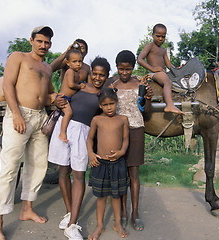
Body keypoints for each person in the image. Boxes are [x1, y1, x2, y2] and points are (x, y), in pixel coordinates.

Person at [0, 26, 55, 240]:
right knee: (9, 168)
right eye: (40, 41)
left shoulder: (47, 68)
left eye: (47, 42)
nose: (43, 45)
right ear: (31, 40)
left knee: (38, 166)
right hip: (20, 115)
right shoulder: (19, 57)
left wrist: (56, 98)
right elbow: (8, 84)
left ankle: (27, 208)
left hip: (40, 117)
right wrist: (16, 114)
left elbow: (47, 94)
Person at [48, 57, 111, 240]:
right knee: (63, 171)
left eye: (102, 75)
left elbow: (102, 118)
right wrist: (57, 101)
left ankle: (72, 225)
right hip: (64, 127)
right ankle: (70, 214)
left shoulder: (104, 95)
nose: (98, 78)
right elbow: (61, 97)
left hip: (83, 133)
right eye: (95, 73)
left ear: (107, 76)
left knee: (79, 175)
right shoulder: (79, 86)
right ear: (90, 72)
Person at [106, 50, 152, 232]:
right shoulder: (112, 84)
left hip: (136, 130)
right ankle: (123, 212)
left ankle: (135, 213)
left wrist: (147, 98)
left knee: (134, 173)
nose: (124, 73)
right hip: (116, 133)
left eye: (128, 69)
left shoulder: (141, 83)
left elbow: (146, 112)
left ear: (133, 68)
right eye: (121, 69)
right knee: (120, 173)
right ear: (117, 67)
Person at [87, 87, 130, 240]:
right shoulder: (97, 120)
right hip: (101, 163)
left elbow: (125, 139)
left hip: (118, 163)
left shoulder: (123, 119)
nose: (109, 107)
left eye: (112, 103)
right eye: (105, 105)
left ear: (117, 102)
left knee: (116, 196)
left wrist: (122, 151)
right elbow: (90, 139)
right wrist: (91, 154)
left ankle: (118, 224)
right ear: (100, 106)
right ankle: (99, 225)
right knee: (101, 197)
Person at [137, 23, 184, 115]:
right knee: (167, 82)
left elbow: (169, 65)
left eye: (163, 36)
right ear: (152, 35)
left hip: (162, 73)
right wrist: (153, 69)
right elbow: (139, 59)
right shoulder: (150, 46)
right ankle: (169, 105)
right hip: (154, 74)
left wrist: (177, 69)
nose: (160, 39)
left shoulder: (163, 50)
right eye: (158, 36)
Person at [57, 48, 86, 143]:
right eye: (74, 61)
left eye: (80, 61)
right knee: (69, 113)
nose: (78, 64)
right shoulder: (70, 71)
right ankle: (62, 133)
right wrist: (80, 86)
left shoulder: (76, 73)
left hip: (69, 99)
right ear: (68, 63)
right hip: (63, 98)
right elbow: (71, 85)